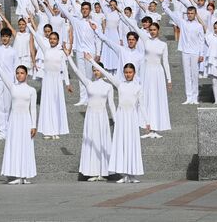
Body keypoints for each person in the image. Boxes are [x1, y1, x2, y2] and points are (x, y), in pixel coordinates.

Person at [88, 61, 145, 183]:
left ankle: (132, 175)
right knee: (121, 145)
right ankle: (124, 175)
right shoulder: (120, 84)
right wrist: (91, 61)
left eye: (130, 72)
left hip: (132, 118)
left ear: (134, 73)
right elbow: (106, 73)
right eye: (126, 72)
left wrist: (147, 121)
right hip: (121, 117)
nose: (128, 74)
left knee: (132, 145)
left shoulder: (138, 87)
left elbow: (142, 105)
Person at [0, 55, 37, 185]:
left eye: (22, 73)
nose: (19, 75)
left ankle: (24, 175)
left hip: (26, 121)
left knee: (25, 147)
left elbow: (33, 109)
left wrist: (34, 125)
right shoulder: (13, 87)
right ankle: (15, 175)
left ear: (26, 75)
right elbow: (2, 73)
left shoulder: (31, 90)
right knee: (14, 146)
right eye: (17, 73)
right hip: (14, 121)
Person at [65, 53, 116, 181]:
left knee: (102, 142)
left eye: (98, 70)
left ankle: (102, 172)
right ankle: (92, 172)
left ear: (102, 71)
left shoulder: (108, 86)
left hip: (102, 117)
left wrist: (116, 121)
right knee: (91, 143)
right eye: (94, 70)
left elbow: (111, 105)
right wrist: (68, 56)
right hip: (90, 117)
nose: (96, 72)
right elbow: (76, 71)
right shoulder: (89, 83)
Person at [26, 20, 72, 140]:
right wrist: (29, 25)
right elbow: (36, 36)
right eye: (50, 38)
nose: (52, 40)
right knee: (47, 104)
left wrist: (67, 83)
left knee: (56, 105)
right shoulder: (46, 50)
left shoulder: (61, 53)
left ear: (57, 40)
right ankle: (47, 130)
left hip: (56, 81)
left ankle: (56, 130)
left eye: (54, 39)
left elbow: (64, 69)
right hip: (47, 80)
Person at [160, 0, 204, 105]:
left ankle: (195, 97)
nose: (189, 15)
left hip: (195, 52)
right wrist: (164, 6)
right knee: (187, 74)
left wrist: (201, 54)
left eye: (192, 13)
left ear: (195, 14)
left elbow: (201, 41)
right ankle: (188, 97)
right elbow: (172, 15)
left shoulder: (199, 26)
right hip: (185, 51)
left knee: (194, 74)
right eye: (188, 13)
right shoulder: (183, 23)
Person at [137, 22, 171, 139]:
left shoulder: (163, 44)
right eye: (150, 29)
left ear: (158, 31)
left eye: (154, 30)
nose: (152, 31)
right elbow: (132, 25)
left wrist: (169, 80)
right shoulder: (145, 40)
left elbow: (165, 62)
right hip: (147, 73)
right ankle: (148, 127)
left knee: (156, 99)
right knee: (147, 98)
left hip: (158, 74)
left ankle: (155, 128)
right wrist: (120, 11)